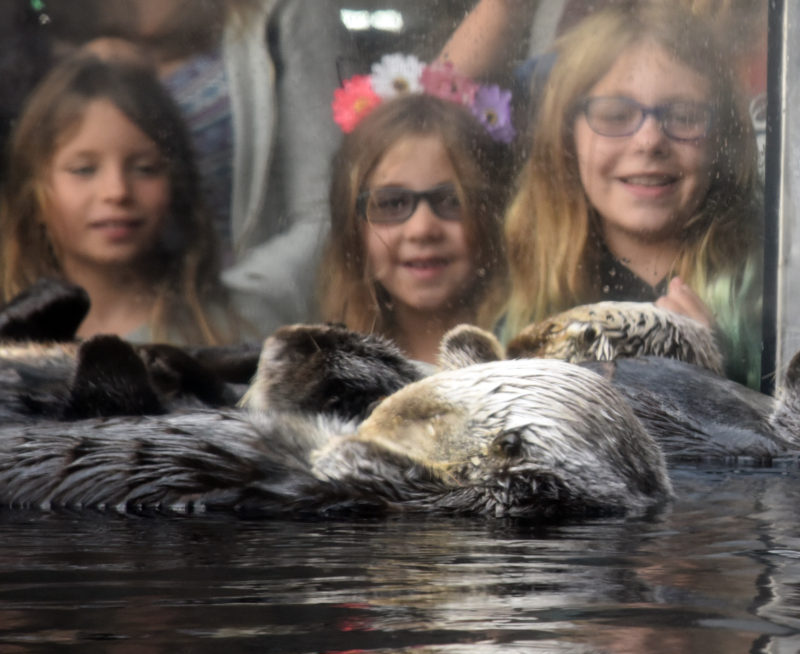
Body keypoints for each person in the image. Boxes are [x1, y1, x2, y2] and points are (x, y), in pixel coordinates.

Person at [502, 3, 764, 388]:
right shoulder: (531, 293)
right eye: (615, 115)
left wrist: (721, 384)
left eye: (684, 115)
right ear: (566, 139)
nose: (649, 140)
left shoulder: (773, 292)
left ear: (722, 140)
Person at [53, 0, 359, 325]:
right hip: (91, 317)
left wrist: (221, 315)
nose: (115, 190)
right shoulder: (55, 15)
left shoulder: (281, 12)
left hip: (235, 321)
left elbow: (328, 213)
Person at [0, 55, 240, 345]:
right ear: (33, 194)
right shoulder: (13, 335)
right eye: (84, 170)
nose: (117, 192)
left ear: (175, 184)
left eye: (144, 169)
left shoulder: (223, 330)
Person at [320, 92, 509, 367]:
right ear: (353, 229)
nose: (422, 229)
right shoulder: (331, 373)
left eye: (452, 200)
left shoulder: (525, 359)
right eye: (392, 203)